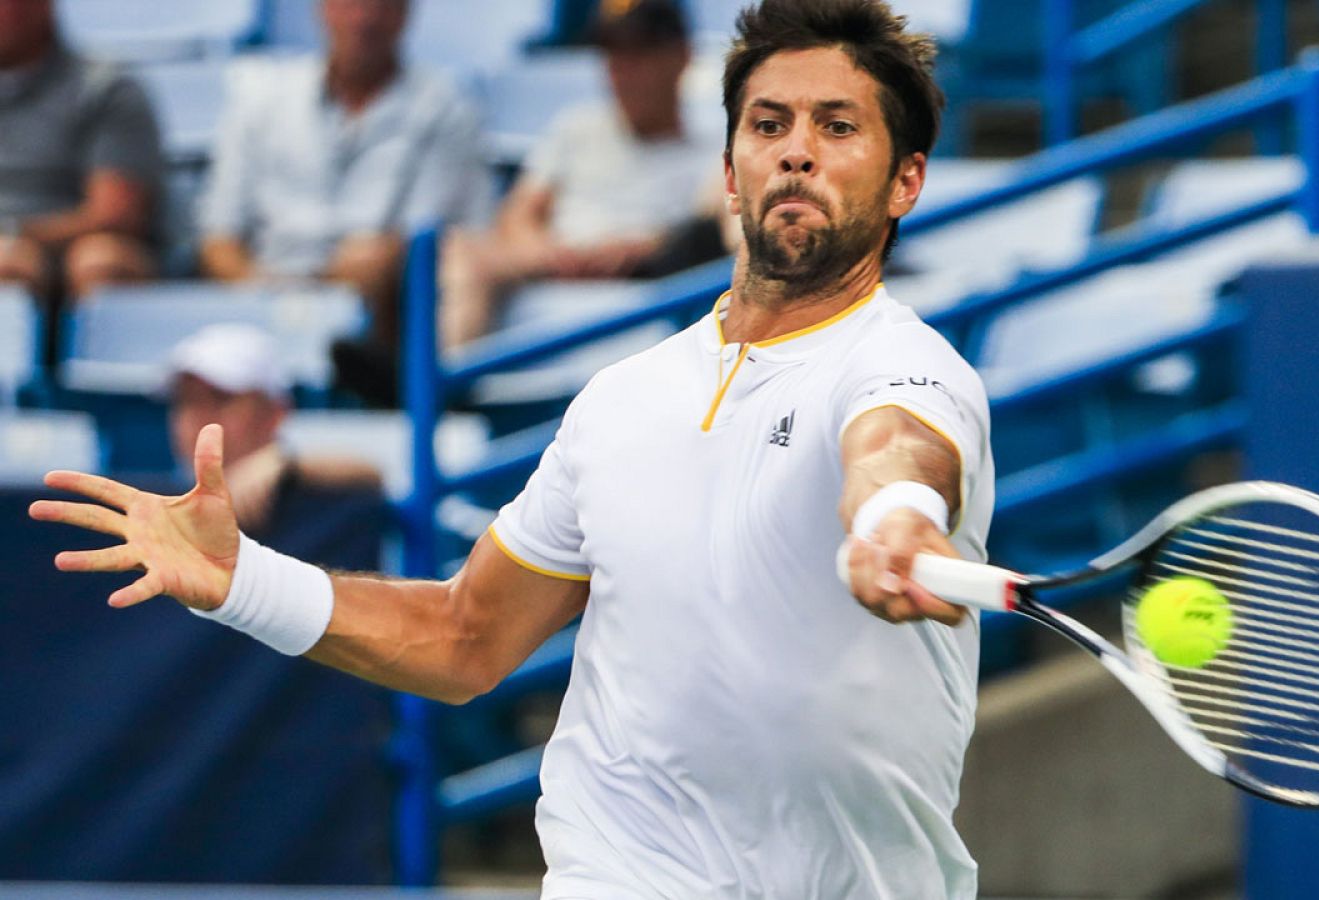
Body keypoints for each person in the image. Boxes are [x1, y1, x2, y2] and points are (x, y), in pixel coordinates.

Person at [32, 2, 993, 896]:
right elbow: (466, 636)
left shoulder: (909, 366)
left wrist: (895, 516)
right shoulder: (620, 400)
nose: (797, 151)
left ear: (906, 180)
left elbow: (896, 446)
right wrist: (243, 578)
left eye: (838, 126)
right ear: (732, 171)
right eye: (769, 124)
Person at [196, 0, 494, 385]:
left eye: (380, 6)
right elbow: (218, 238)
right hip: (262, 294)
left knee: (385, 260)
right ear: (322, 8)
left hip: (382, 307)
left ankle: (392, 384)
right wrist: (263, 291)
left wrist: (334, 281)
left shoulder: (445, 107)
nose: (364, 19)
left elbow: (422, 235)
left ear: (405, 13)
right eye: (350, 3)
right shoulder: (261, 99)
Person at [437, 0, 728, 351]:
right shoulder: (576, 127)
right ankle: (445, 377)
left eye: (640, 53)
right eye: (614, 55)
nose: (624, 71)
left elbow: (707, 233)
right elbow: (519, 214)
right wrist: (548, 254)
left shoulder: (718, 149)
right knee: (456, 250)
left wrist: (641, 249)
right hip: (553, 268)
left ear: (681, 56)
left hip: (654, 286)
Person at [0, 0, 162, 322]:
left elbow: (113, 214)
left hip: (75, 246)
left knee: (98, 260)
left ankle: (102, 352)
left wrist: (14, 232)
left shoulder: (106, 87)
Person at [164, 323, 384, 534]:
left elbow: (375, 474)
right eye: (186, 400)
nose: (198, 416)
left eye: (221, 399)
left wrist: (288, 464)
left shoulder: (331, 510)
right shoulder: (158, 511)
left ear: (275, 413)